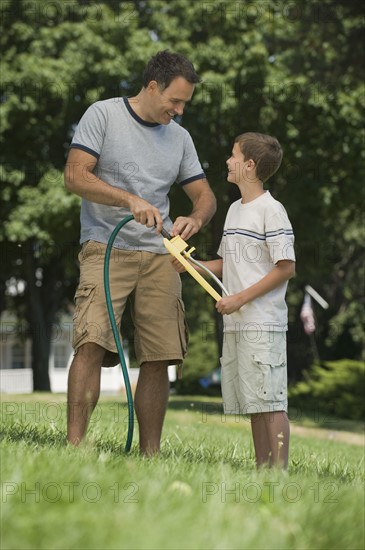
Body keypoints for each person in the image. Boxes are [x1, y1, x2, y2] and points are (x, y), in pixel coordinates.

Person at [64, 50, 216, 455]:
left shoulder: (179, 138)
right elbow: (75, 175)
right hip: (104, 247)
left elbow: (204, 196)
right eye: (175, 101)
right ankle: (75, 446)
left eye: (185, 103)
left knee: (160, 355)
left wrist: (195, 220)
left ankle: (151, 454)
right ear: (152, 87)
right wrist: (128, 199)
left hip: (160, 256)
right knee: (91, 341)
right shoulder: (104, 115)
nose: (179, 111)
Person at [173, 132, 295, 468]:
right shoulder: (234, 211)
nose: (228, 160)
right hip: (237, 323)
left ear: (250, 165)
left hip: (263, 322)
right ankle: (262, 470)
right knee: (254, 403)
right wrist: (187, 265)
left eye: (234, 155)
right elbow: (229, 264)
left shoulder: (272, 211)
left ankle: (279, 474)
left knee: (270, 402)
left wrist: (239, 299)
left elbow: (285, 267)